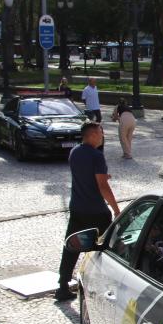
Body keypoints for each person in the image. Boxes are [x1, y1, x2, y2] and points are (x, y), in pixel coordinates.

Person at [56, 122, 121, 301]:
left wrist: (102, 176)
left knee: (72, 245)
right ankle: (108, 286)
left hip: (77, 207)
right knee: (108, 247)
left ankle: (62, 286)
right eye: (100, 133)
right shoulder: (96, 156)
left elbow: (85, 175)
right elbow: (102, 186)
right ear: (92, 135)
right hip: (96, 211)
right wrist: (116, 209)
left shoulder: (75, 152)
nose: (102, 136)